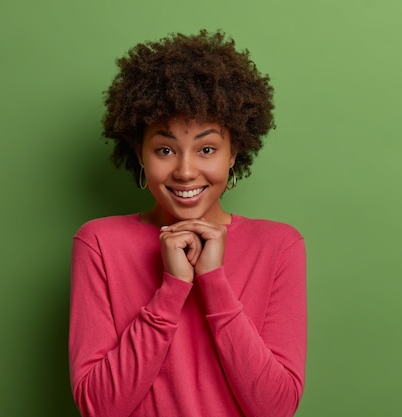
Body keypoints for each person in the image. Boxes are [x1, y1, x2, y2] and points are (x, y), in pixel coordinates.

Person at [69, 29, 306, 417]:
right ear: (140, 155)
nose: (185, 170)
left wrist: (213, 282)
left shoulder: (279, 245)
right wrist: (173, 289)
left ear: (234, 154)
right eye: (165, 149)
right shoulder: (98, 242)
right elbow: (99, 407)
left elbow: (275, 409)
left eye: (207, 149)